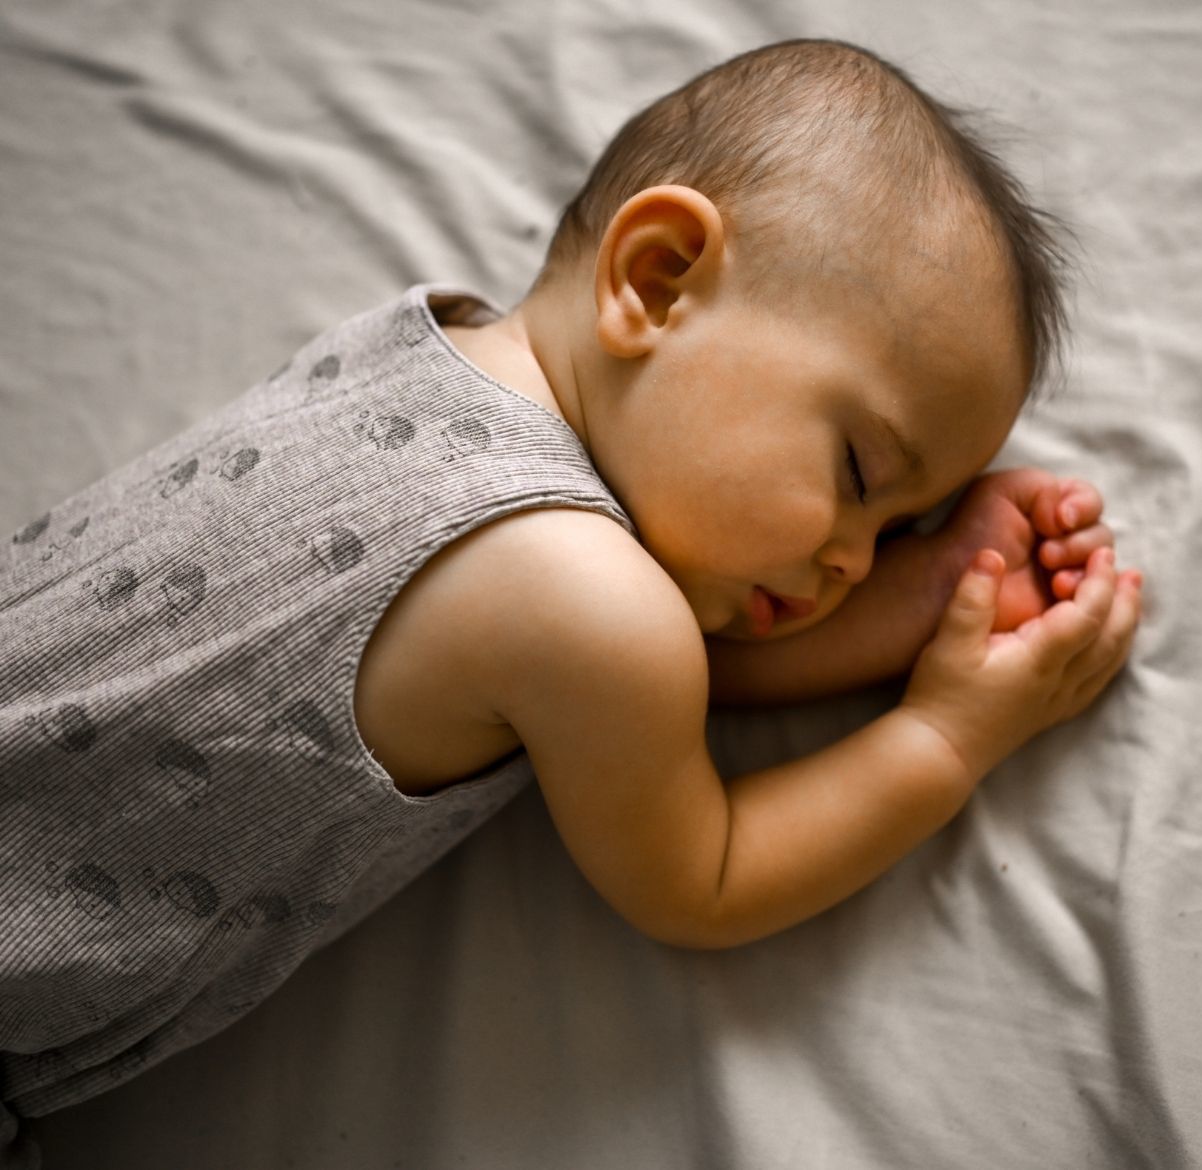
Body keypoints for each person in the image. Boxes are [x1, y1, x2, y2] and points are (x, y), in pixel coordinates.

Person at [0, 36, 1141, 1154]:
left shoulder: (426, 341)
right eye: (858, 477)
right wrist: (948, 736)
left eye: (893, 529)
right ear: (657, 282)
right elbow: (707, 875)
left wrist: (930, 589)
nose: (852, 557)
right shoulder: (593, 611)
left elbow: (650, 677)